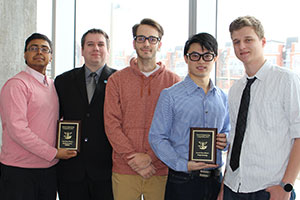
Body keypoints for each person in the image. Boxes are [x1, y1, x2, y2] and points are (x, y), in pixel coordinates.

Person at [219, 16, 300, 200]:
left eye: (248, 40)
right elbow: (235, 140)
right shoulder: (235, 89)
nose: (241, 47)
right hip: (233, 188)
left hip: (269, 189)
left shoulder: (286, 80)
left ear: (262, 42)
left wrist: (286, 187)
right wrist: (224, 186)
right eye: (236, 42)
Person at [104, 18, 181, 200]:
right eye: (141, 38)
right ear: (134, 42)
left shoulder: (174, 82)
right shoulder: (116, 80)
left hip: (160, 168)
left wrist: (150, 158)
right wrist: (133, 158)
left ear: (159, 44)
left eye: (152, 39)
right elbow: (111, 124)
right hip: (125, 168)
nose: (146, 43)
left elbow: (176, 129)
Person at [148, 32, 229, 200]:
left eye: (207, 56)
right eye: (195, 56)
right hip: (183, 180)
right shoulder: (170, 96)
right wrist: (182, 164)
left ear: (215, 58)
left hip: (215, 180)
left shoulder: (223, 97)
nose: (201, 61)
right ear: (186, 58)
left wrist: (226, 139)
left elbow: (229, 131)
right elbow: (157, 137)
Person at [0, 33, 77, 200]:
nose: (39, 52)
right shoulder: (17, 85)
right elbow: (18, 130)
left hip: (48, 169)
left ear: (50, 57)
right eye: (33, 48)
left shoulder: (52, 85)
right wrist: (53, 152)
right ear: (25, 54)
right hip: (20, 171)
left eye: (44, 49)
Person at [54, 28, 116, 200]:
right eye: (90, 44)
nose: (95, 48)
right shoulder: (62, 81)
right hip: (71, 169)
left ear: (107, 50)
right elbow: (54, 119)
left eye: (100, 44)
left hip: (107, 170)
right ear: (82, 50)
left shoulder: (119, 81)